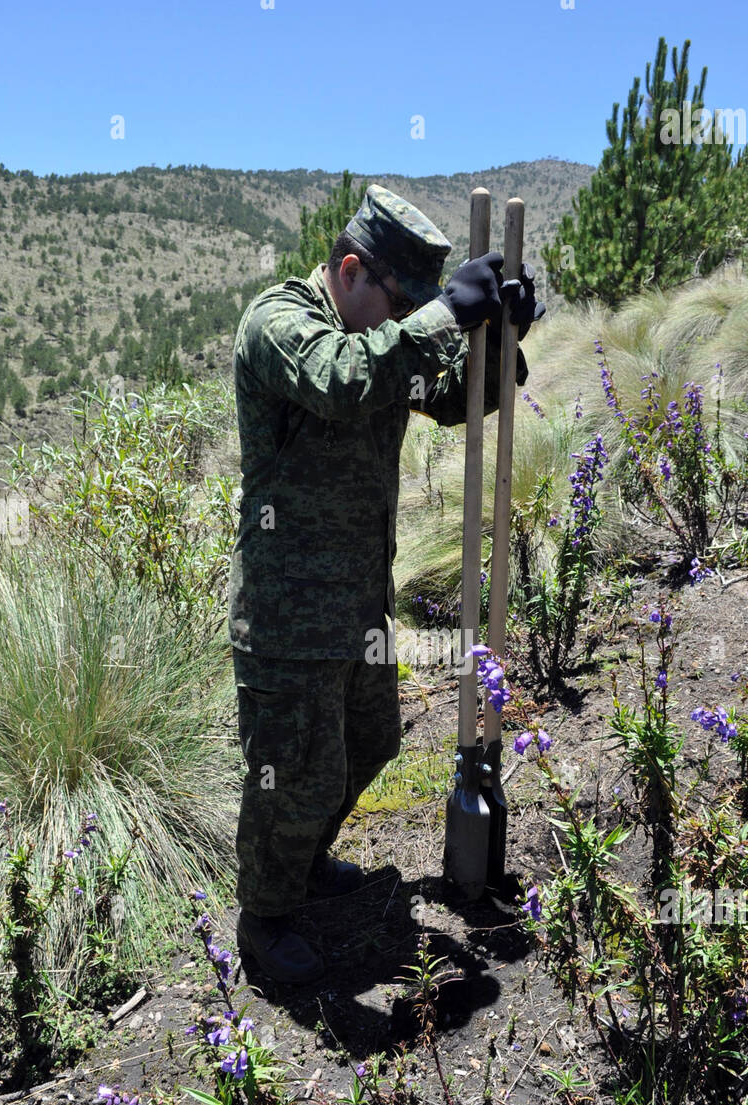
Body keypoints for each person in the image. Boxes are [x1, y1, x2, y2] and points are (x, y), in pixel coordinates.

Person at [228, 183, 544, 984]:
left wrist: (499, 343)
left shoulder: (379, 341)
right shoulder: (281, 324)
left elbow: (452, 401)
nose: (400, 316)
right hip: (287, 612)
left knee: (371, 743)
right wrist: (442, 315)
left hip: (357, 600)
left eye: (412, 305)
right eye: (395, 299)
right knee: (296, 773)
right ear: (349, 270)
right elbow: (341, 379)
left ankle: (301, 862)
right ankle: (263, 919)